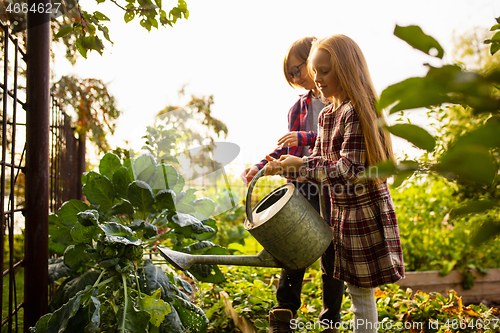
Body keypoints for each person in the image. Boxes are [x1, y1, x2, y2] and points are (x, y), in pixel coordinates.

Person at [264, 34, 405, 333]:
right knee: (357, 294)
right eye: (315, 72)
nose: (317, 79)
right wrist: (282, 167)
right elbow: (317, 164)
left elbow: (348, 169)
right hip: (340, 214)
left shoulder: (354, 111)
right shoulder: (327, 114)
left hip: (362, 213)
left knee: (361, 296)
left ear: (346, 69)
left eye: (324, 71)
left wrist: (301, 164)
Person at [241, 37, 344, 333]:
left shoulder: (337, 100)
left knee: (331, 251)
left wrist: (307, 139)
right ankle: (284, 311)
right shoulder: (297, 108)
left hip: (331, 183)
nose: (296, 79)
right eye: (292, 75)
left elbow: (335, 140)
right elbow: (288, 149)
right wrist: (260, 166)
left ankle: (330, 320)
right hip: (304, 185)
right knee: (294, 243)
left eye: (298, 70)